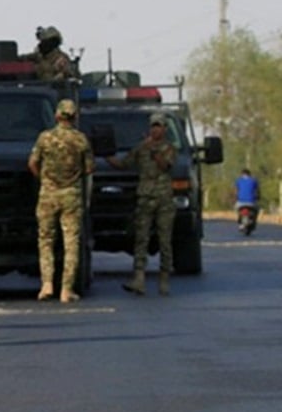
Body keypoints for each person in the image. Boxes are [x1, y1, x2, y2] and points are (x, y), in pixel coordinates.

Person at [28, 98, 94, 303]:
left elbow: (32, 163)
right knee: (71, 242)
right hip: (71, 195)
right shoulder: (81, 140)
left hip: (48, 194)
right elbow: (90, 168)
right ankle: (66, 289)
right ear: (75, 117)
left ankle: (46, 284)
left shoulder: (45, 138)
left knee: (46, 240)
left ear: (57, 116)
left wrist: (45, 179)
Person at [107, 112, 176, 296]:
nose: (155, 130)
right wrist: (107, 157)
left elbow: (165, 166)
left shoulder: (169, 148)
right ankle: (139, 279)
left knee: (164, 240)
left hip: (164, 199)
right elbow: (124, 164)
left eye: (159, 126)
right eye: (153, 126)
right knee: (141, 239)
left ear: (164, 129)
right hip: (145, 198)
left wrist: (154, 151)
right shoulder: (141, 148)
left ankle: (164, 279)